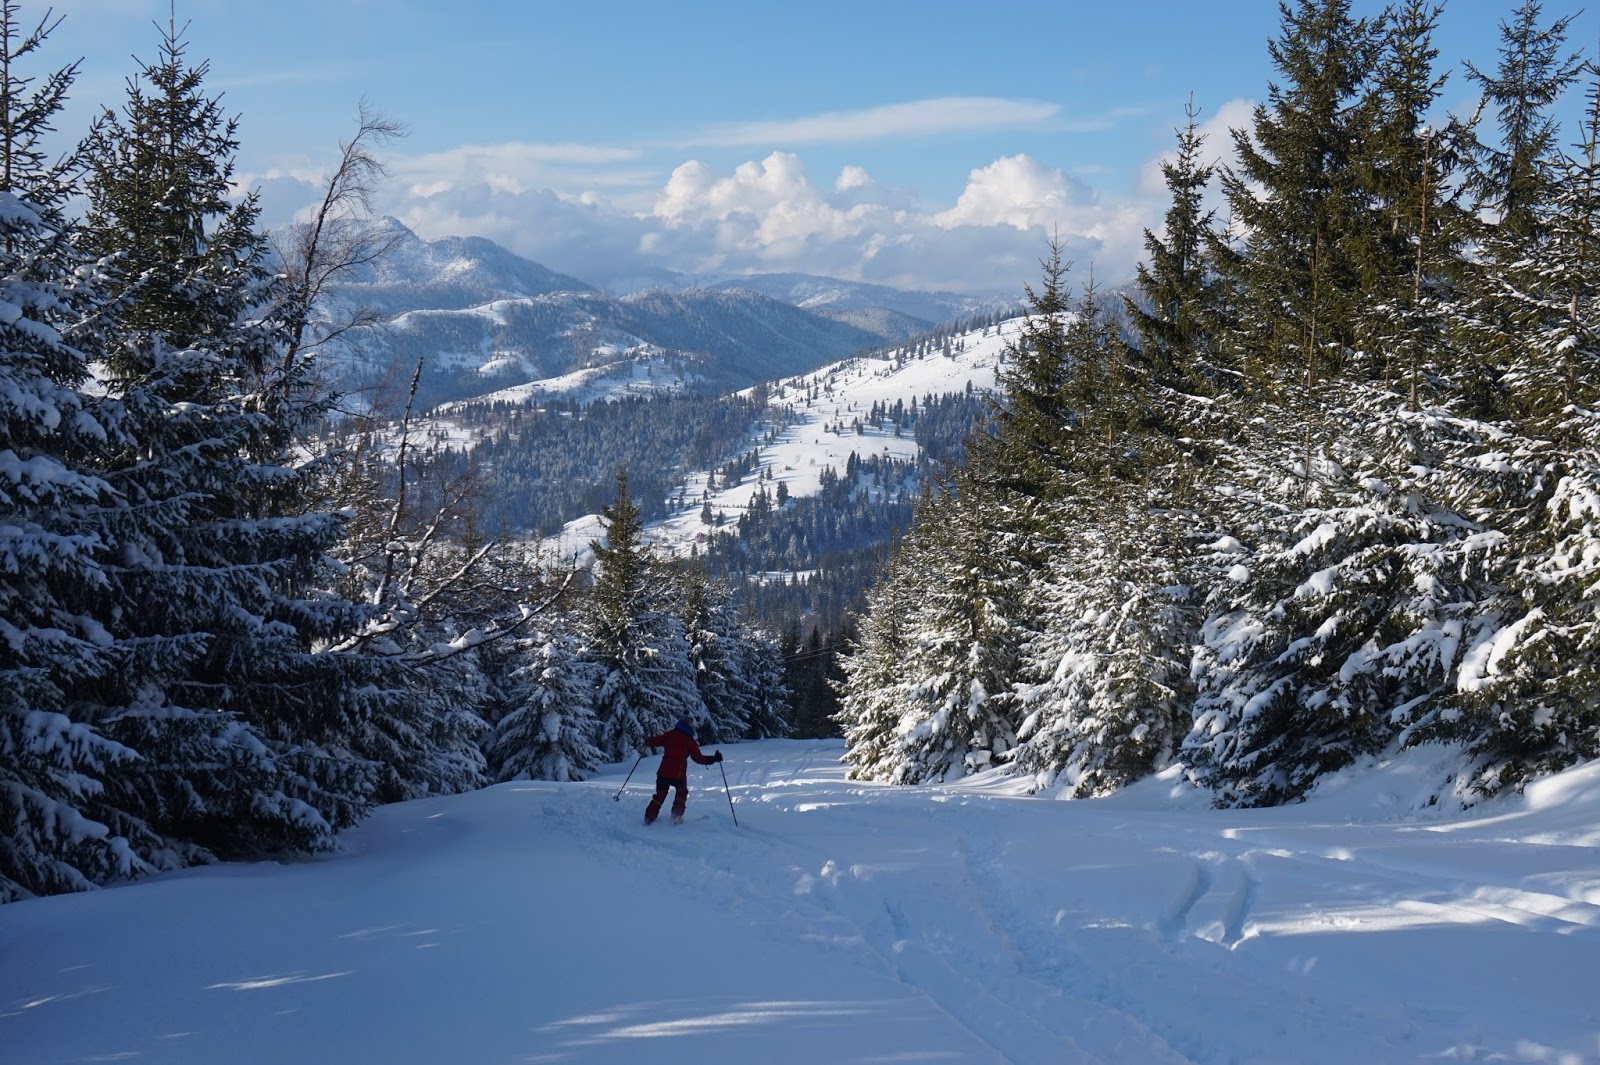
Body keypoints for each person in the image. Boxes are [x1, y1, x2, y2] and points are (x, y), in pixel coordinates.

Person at [643, 717, 722, 824]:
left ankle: (649, 817)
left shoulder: (670, 734)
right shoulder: (689, 740)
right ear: (689, 726)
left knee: (660, 795)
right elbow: (699, 759)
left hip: (663, 772)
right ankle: (676, 817)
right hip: (678, 774)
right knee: (682, 793)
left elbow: (656, 740)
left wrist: (648, 741)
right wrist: (714, 758)